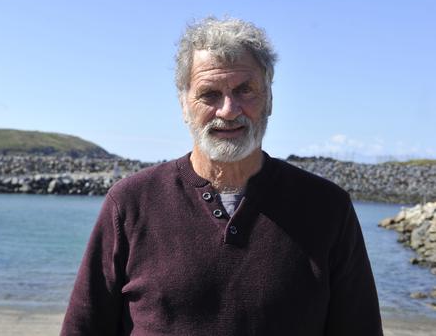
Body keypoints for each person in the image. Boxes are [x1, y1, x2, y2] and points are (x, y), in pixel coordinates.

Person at [61, 17, 383, 335]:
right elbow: (84, 327)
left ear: (269, 99)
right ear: (183, 104)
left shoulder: (326, 207)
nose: (228, 110)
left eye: (245, 90)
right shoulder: (130, 203)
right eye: (209, 94)